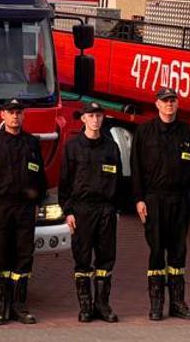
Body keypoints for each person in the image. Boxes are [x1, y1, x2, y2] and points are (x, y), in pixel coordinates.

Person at [129, 86, 190, 321]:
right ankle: (156, 304)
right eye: (165, 101)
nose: (169, 104)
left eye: (173, 100)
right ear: (157, 104)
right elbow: (136, 167)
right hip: (154, 198)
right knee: (157, 251)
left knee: (179, 251)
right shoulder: (145, 132)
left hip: (180, 199)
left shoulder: (186, 132)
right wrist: (139, 199)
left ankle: (178, 303)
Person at [0, 98, 45, 325]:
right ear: (2, 116)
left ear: (23, 116)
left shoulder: (31, 143)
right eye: (11, 112)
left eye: (19, 112)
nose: (15, 116)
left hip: (25, 208)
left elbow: (39, 176)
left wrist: (38, 203)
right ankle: (0, 307)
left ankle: (19, 306)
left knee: (24, 256)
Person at [58, 101, 121, 323]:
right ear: (83, 119)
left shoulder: (111, 147)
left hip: (105, 209)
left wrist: (116, 209)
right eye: (91, 116)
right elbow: (64, 183)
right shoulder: (73, 147)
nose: (95, 120)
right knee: (83, 260)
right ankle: (85, 307)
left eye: (99, 116)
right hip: (82, 210)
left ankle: (102, 306)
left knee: (106, 259)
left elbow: (119, 180)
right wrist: (68, 211)